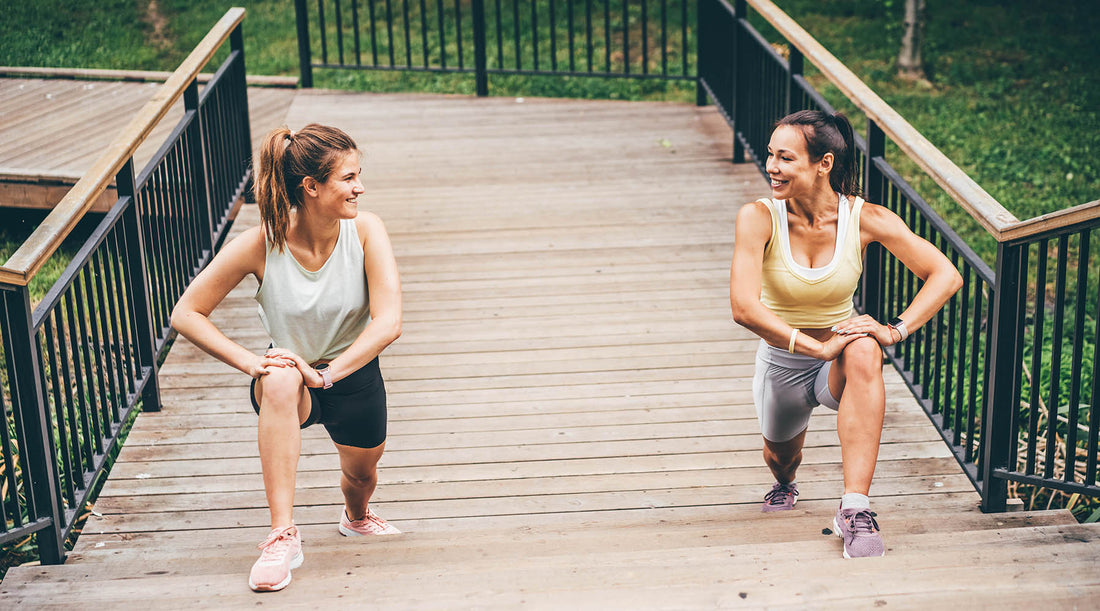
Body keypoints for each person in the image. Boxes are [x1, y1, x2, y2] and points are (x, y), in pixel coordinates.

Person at [171, 124, 403, 591]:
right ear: (311, 187)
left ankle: (356, 516)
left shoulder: (365, 231)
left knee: (361, 476)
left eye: (359, 175)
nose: (360, 187)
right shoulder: (263, 243)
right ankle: (282, 535)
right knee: (278, 379)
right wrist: (254, 364)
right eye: (349, 178)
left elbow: (388, 322)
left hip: (351, 372)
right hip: (290, 376)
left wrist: (329, 375)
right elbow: (186, 313)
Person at [728, 110, 962, 558]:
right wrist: (815, 346)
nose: (771, 167)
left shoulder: (865, 217)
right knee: (781, 458)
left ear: (824, 164)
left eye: (785, 158)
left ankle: (854, 507)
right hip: (784, 361)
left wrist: (895, 330)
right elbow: (744, 307)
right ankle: (785, 484)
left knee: (865, 347)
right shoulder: (758, 218)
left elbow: (945, 275)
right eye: (771, 155)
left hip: (837, 357)